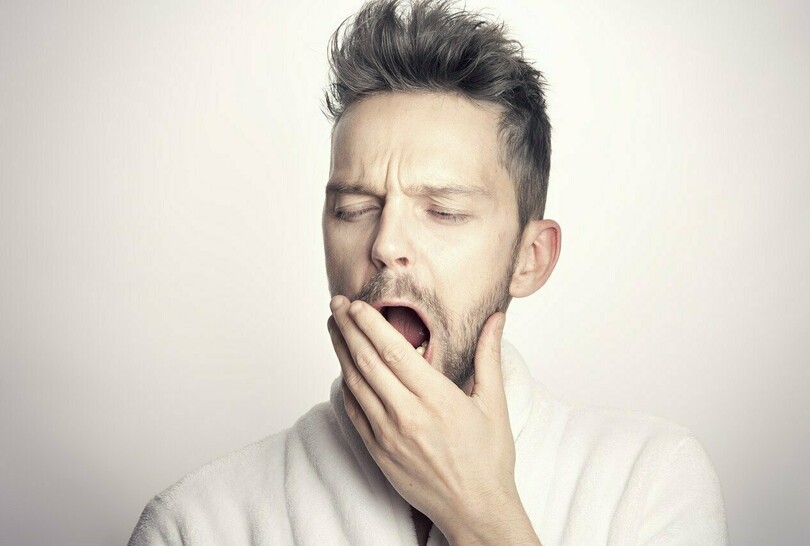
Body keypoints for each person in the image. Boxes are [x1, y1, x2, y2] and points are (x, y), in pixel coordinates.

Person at [129, 1, 728, 544]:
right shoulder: (196, 523)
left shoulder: (649, 483)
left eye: (443, 211)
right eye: (354, 209)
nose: (386, 244)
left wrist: (479, 512)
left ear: (530, 258)